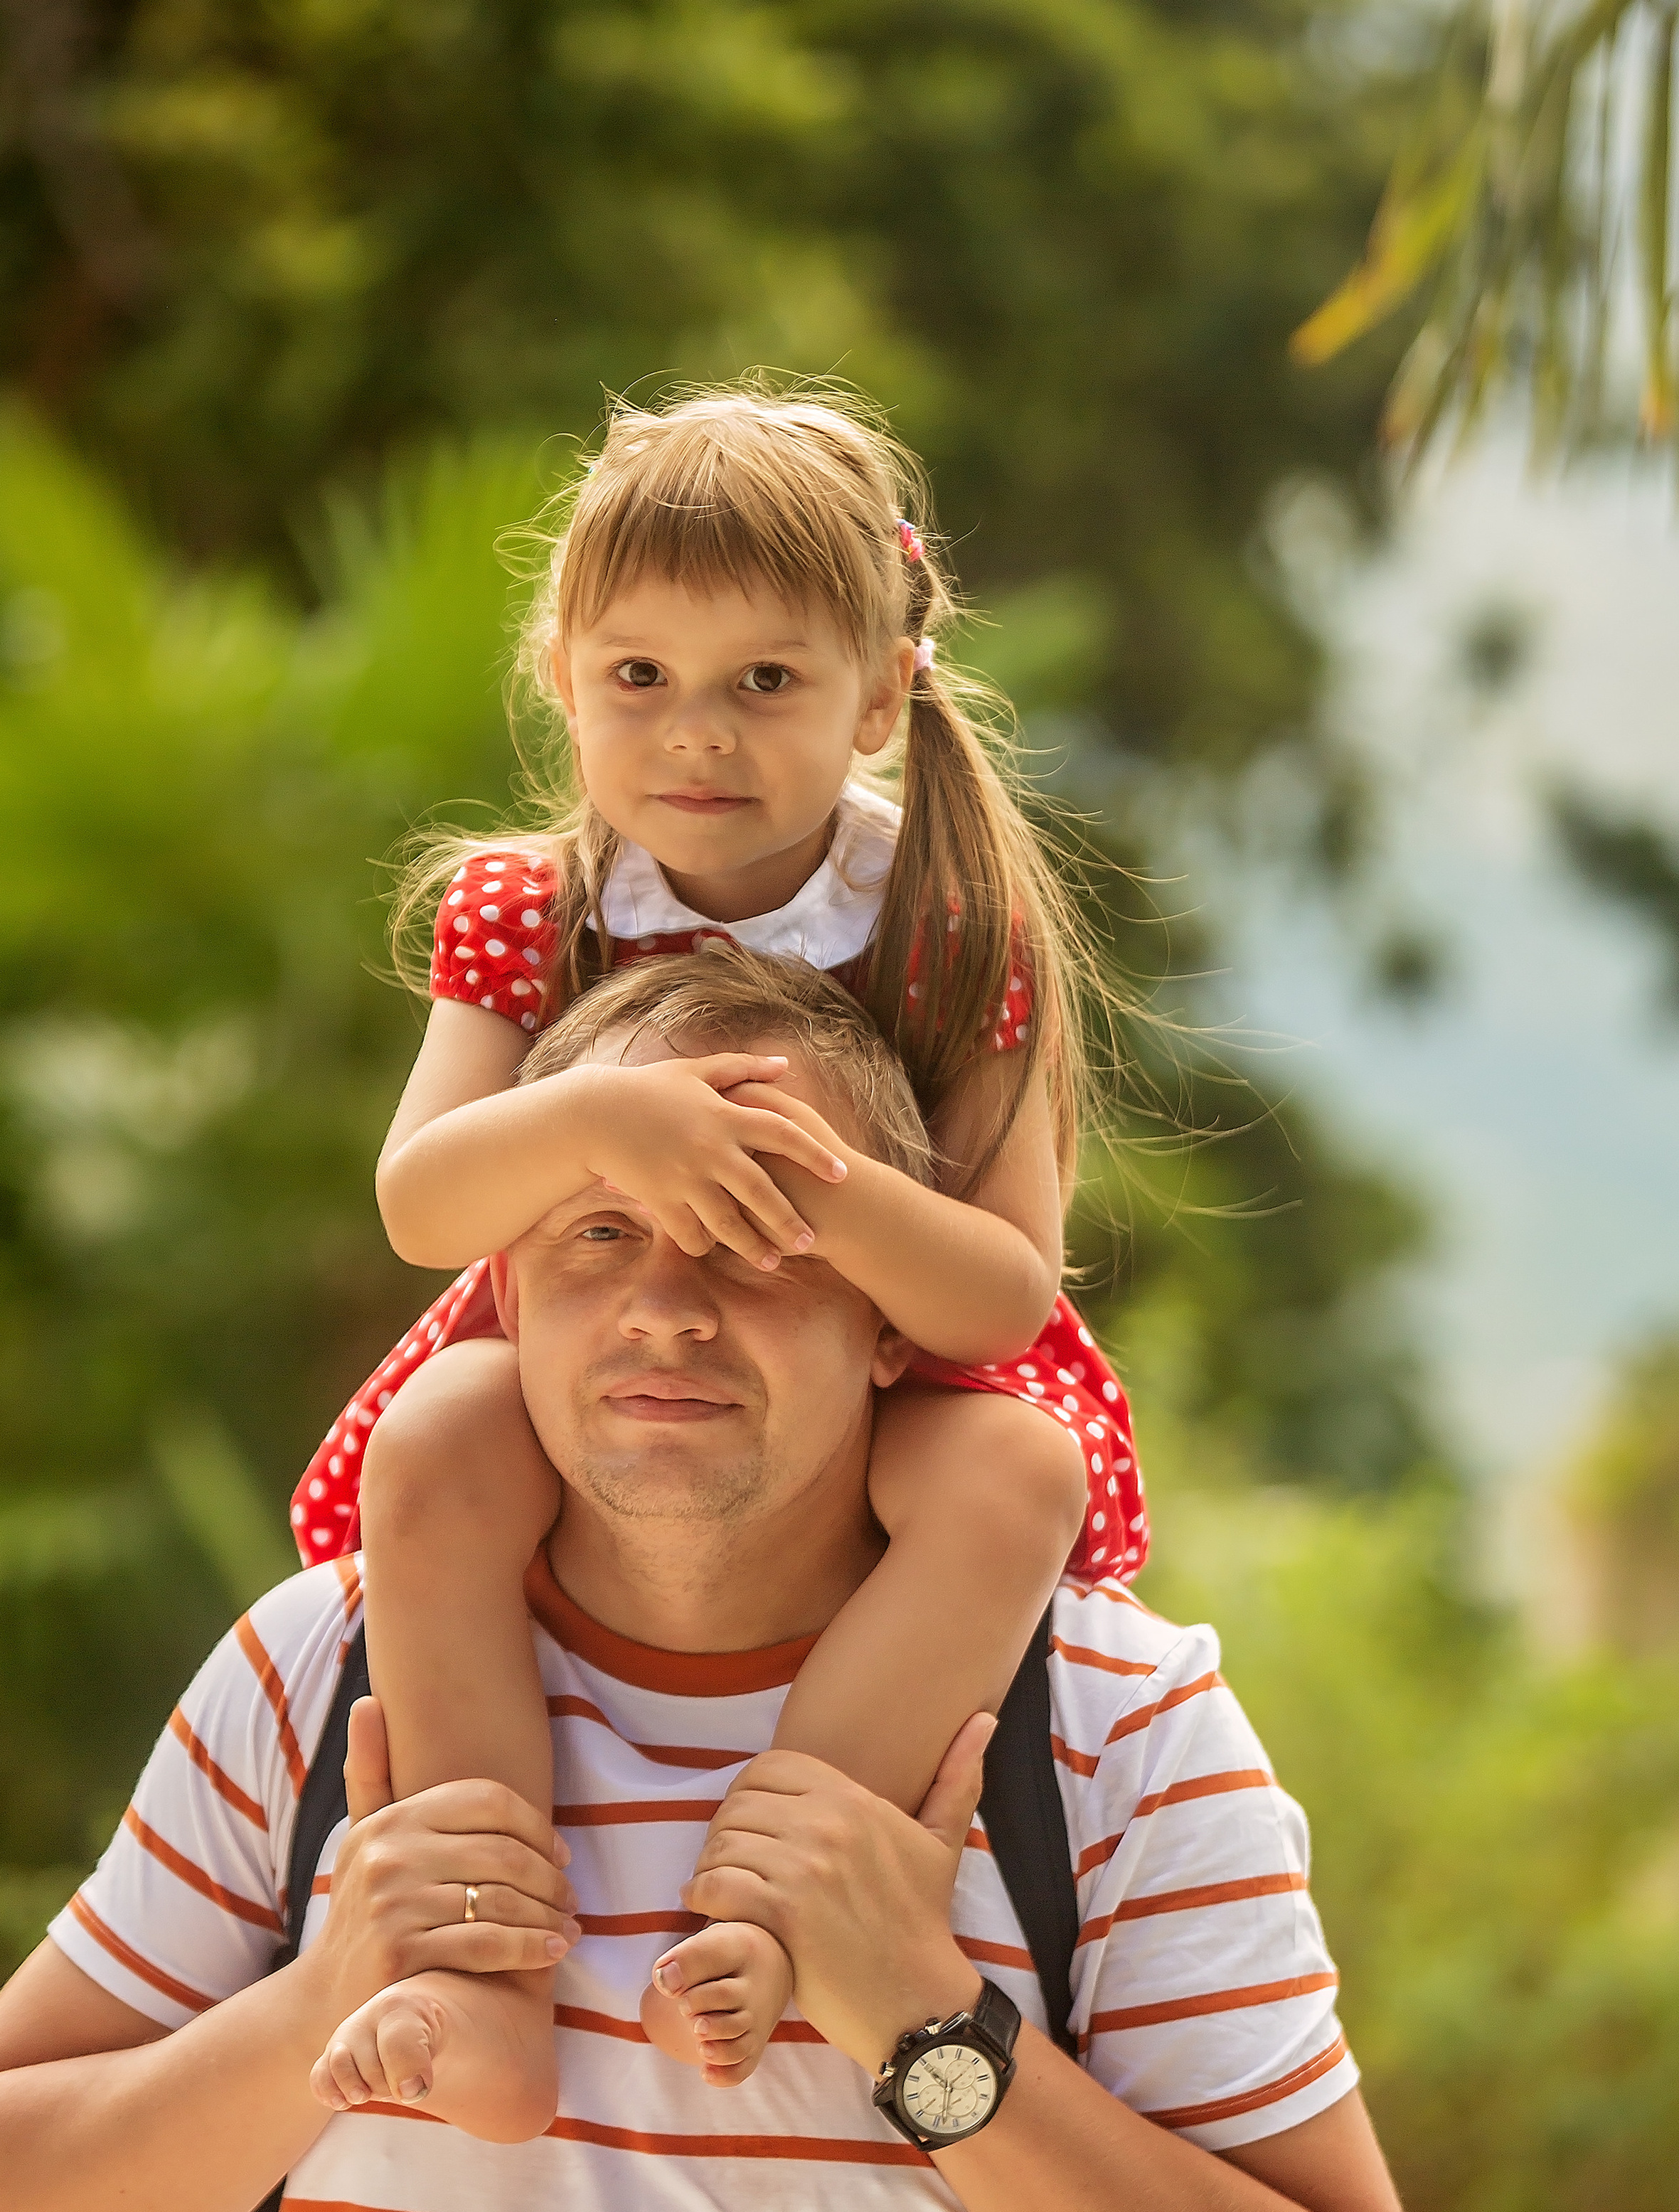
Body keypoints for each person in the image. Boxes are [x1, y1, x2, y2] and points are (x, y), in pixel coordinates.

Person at [0, 954, 1421, 2212]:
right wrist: (326, 1994)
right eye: (597, 1238)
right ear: (507, 1305)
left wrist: (931, 2031)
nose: (668, 1308)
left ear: (886, 1317)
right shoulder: (318, 1675)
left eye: (759, 1231)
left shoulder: (1109, 1734)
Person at [291, 383, 1146, 2120]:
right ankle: (480, 1970)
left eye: (764, 679)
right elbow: (420, 1205)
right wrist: (604, 1130)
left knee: (1012, 1473)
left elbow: (1001, 1293)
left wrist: (803, 1179)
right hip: (597, 1343)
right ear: (562, 676)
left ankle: (778, 1907)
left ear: (881, 687)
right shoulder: (533, 911)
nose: (698, 733)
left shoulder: (947, 921)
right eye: (640, 678)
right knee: (438, 1441)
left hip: (866, 1359)